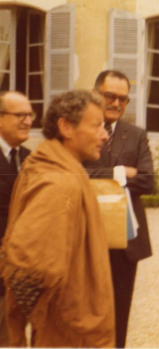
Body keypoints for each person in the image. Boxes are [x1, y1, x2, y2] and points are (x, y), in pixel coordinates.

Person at [0, 90, 114, 347]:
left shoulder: (54, 166)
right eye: (97, 126)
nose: (104, 135)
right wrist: (45, 315)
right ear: (66, 127)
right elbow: (28, 266)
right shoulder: (59, 181)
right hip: (69, 330)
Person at [83, 70, 154, 348]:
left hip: (126, 241)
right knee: (84, 313)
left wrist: (100, 174)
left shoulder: (135, 135)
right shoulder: (80, 129)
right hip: (86, 237)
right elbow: (75, 174)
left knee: (119, 316)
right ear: (95, 93)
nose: (116, 103)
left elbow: (148, 181)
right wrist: (122, 173)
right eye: (110, 96)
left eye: (123, 99)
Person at [0, 91, 33, 346]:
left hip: (21, 272)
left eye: (30, 115)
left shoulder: (30, 158)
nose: (27, 121)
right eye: (19, 115)